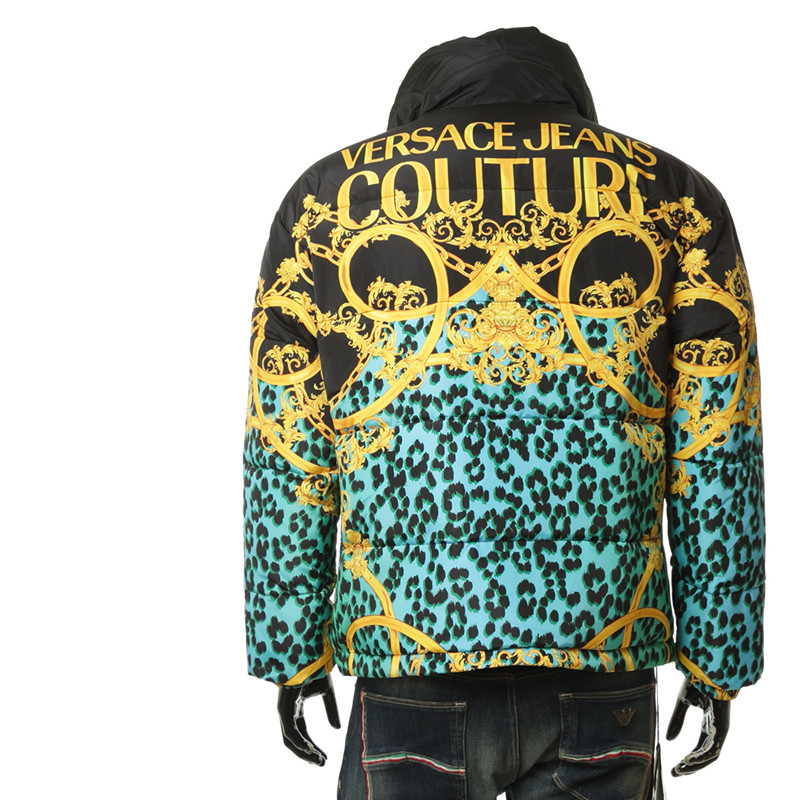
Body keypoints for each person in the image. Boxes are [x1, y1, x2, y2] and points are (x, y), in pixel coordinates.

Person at [242, 26, 765, 799]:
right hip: (602, 655)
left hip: (409, 654)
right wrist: (719, 660)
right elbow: (718, 444)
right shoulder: (674, 197)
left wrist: (290, 652)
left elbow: (287, 444)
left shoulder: (328, 202)